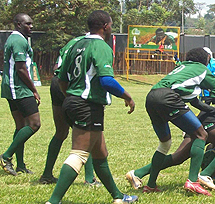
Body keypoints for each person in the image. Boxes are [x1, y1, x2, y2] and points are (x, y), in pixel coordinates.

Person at [46, 10, 138, 204]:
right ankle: (53, 201)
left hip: (71, 101)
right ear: (105, 26)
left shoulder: (76, 45)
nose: (111, 28)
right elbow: (106, 81)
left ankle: (118, 197)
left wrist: (71, 97)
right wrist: (127, 96)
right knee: (79, 154)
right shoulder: (101, 47)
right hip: (88, 105)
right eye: (111, 25)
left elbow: (62, 78)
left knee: (100, 153)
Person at [140, 47, 215, 196]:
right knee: (201, 134)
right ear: (206, 60)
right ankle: (193, 181)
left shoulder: (182, 67)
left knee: (165, 144)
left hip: (151, 96)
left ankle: (150, 184)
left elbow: (196, 103)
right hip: (168, 98)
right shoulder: (203, 70)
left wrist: (214, 110)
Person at [39, 35, 100, 186]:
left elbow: (56, 68)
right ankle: (89, 178)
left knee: (60, 132)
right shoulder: (93, 43)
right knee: (87, 132)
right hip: (72, 85)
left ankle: (47, 174)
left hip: (57, 82)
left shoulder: (72, 42)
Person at [0, 13, 41, 176]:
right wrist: (34, 89)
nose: (31, 27)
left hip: (12, 87)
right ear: (18, 24)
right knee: (34, 124)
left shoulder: (16, 39)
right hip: (18, 87)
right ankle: (6, 156)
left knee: (21, 126)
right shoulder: (18, 40)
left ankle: (20, 165)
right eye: (27, 24)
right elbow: (21, 68)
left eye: (31, 24)